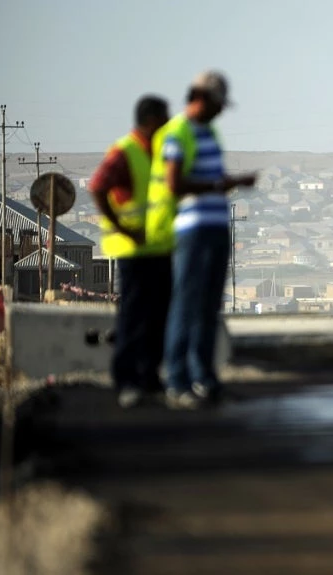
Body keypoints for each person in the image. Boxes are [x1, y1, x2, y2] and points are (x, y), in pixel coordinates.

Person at [149, 70, 256, 408]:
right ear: (200, 99)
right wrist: (217, 186)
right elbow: (174, 183)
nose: (221, 111)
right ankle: (178, 381)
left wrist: (231, 181)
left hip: (215, 226)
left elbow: (211, 176)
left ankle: (204, 378)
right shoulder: (177, 133)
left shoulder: (209, 132)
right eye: (218, 104)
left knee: (209, 306)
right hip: (192, 229)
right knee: (186, 304)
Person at [88, 95, 172, 408]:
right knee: (134, 316)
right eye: (164, 117)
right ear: (151, 119)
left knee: (157, 315)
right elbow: (98, 187)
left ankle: (149, 377)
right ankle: (127, 380)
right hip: (134, 251)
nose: (168, 122)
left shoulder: (161, 153)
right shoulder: (126, 151)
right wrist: (123, 230)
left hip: (160, 248)